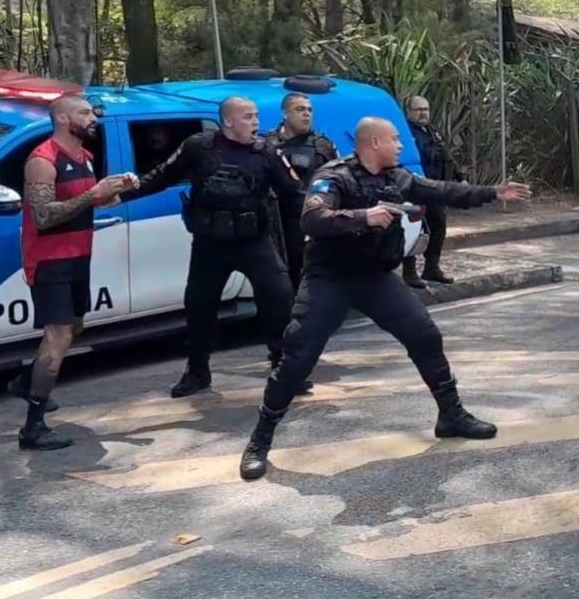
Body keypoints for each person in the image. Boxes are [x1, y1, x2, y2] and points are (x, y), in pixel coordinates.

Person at [238, 117, 532, 481]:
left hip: (375, 278)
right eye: (394, 140)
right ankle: (259, 441)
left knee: (424, 335)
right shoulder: (335, 176)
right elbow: (312, 219)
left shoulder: (397, 177)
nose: (400, 146)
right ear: (374, 142)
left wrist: (492, 193)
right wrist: (363, 216)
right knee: (298, 356)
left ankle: (451, 415)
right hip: (329, 279)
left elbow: (439, 190)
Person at [127, 97, 299, 398]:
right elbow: (162, 176)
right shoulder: (199, 146)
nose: (256, 122)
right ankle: (197, 372)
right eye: (248, 117)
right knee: (199, 306)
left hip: (254, 241)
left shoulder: (267, 152)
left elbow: (293, 192)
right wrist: (125, 193)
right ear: (228, 121)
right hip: (211, 243)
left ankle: (284, 368)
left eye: (256, 116)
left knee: (279, 296)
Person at [13, 96, 136, 450]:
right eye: (84, 112)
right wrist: (92, 194)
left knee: (75, 327)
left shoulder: (85, 157)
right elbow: (43, 215)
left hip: (79, 256)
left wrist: (113, 193)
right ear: (65, 118)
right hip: (50, 261)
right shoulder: (43, 160)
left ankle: (26, 383)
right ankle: (32, 429)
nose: (92, 117)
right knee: (59, 337)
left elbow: (88, 201)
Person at [263, 93, 338, 290]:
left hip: (310, 221)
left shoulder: (322, 145)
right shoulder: (266, 144)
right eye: (300, 109)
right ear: (285, 113)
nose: (306, 114)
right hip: (276, 223)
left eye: (309, 110)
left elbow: (338, 181)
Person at [401, 94, 467, 289]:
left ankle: (432, 268)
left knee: (438, 228)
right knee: (415, 230)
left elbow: (445, 156)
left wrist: (459, 177)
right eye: (419, 109)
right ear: (409, 112)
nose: (423, 113)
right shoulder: (405, 133)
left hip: (436, 188)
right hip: (416, 188)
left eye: (426, 109)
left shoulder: (431, 131)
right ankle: (410, 272)